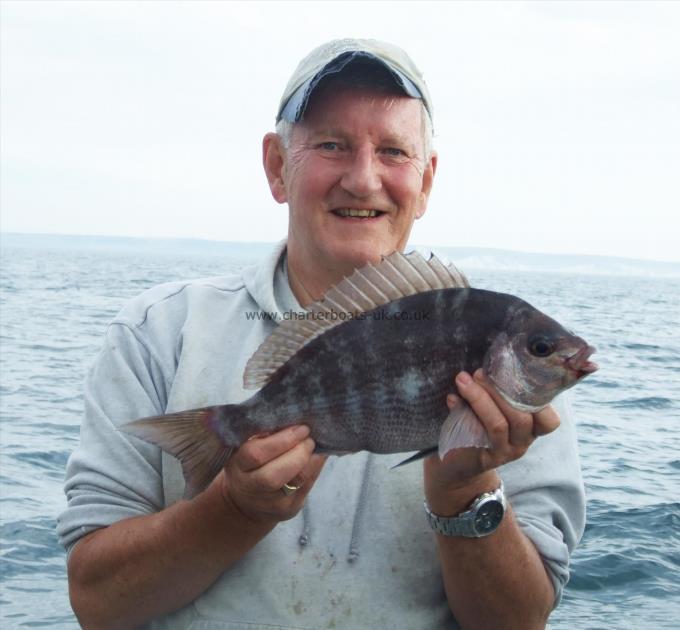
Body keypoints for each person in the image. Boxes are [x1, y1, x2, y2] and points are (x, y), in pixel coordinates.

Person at [58, 38, 585, 629]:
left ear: (427, 180)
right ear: (278, 167)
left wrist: (465, 492)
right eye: (332, 145)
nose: (363, 180)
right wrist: (233, 509)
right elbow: (97, 604)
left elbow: (520, 622)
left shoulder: (514, 391)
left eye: (393, 151)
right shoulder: (156, 335)